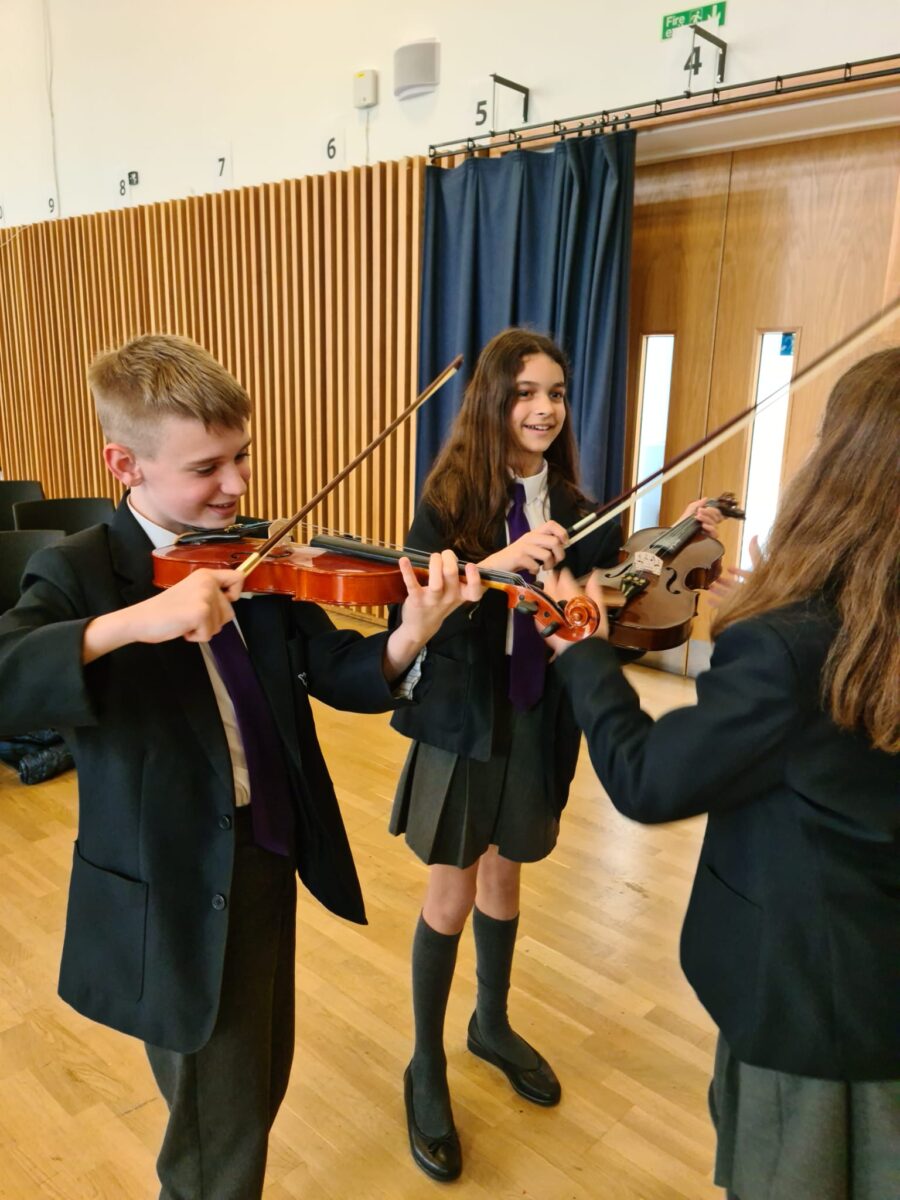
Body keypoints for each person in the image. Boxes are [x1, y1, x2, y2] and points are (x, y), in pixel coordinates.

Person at [0, 333, 481, 1200]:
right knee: (219, 1140)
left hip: (265, 857)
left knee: (257, 1084)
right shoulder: (78, 572)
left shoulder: (253, 561)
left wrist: (410, 634)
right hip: (171, 886)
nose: (238, 486)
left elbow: (332, 668)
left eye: (243, 457)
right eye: (207, 468)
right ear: (126, 464)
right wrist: (131, 624)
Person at [544, 347, 899, 1200]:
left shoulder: (792, 647)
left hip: (813, 1001)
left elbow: (647, 776)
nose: (545, 408)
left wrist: (589, 650)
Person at [389, 327, 723, 1181]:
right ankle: (425, 1060)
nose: (544, 408)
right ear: (495, 399)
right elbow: (420, 605)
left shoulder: (577, 505)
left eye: (558, 393)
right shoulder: (450, 499)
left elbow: (610, 598)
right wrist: (492, 564)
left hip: (539, 717)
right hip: (466, 718)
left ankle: (489, 1022)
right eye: (526, 391)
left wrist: (678, 550)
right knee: (452, 888)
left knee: (508, 872)